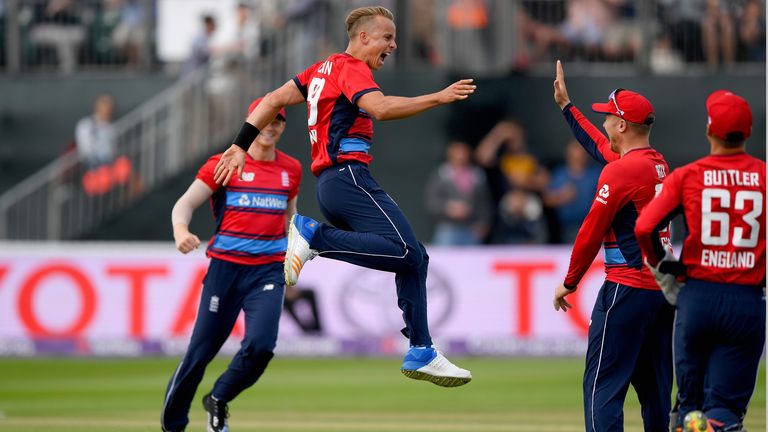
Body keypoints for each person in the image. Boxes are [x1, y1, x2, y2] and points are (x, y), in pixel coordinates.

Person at [213, 6, 475, 387]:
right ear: (363, 37)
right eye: (387, 37)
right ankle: (312, 236)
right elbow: (381, 109)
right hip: (348, 177)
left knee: (413, 258)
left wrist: (240, 145)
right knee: (407, 252)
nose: (393, 45)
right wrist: (438, 97)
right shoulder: (351, 69)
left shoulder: (319, 71)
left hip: (334, 183)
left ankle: (421, 350)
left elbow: (271, 99)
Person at [160, 98, 301, 432]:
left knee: (262, 347)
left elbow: (290, 218)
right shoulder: (225, 162)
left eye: (278, 120)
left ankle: (219, 397)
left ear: (283, 126)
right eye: (265, 119)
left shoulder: (290, 169)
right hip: (225, 270)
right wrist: (181, 230)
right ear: (251, 120)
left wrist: (296, 258)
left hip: (267, 271)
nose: (271, 125)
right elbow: (185, 203)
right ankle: (172, 425)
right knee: (200, 354)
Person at [551, 60, 674, 431]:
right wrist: (567, 107)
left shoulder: (621, 171)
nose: (604, 123)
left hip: (626, 288)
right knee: (656, 391)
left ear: (622, 124)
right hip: (660, 293)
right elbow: (601, 146)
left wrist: (570, 282)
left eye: (608, 117)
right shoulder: (656, 165)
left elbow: (590, 231)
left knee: (602, 387)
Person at [635, 90, 765, 432]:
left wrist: (664, 266)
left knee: (688, 409)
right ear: (748, 133)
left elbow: (645, 226)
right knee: (724, 410)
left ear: (709, 131)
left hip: (697, 297)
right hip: (747, 299)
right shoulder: (764, 177)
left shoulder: (689, 175)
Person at [425, 140, 492, 246]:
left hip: (472, 229)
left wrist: (483, 224)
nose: (460, 156)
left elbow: (484, 203)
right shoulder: (441, 174)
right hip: (447, 228)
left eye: (463, 152)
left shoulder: (477, 175)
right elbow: (431, 202)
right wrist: (448, 208)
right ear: (450, 154)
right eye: (457, 152)